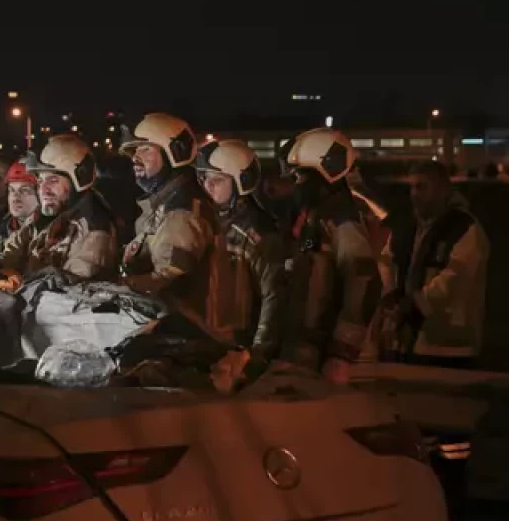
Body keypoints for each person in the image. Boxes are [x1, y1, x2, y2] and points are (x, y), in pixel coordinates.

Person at [275, 127, 383, 381]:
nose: (295, 185)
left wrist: (342, 353)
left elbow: (364, 282)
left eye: (299, 176)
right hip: (311, 350)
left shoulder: (344, 220)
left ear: (324, 174)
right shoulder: (318, 217)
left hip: (332, 359)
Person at [118, 113, 225, 333]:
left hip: (181, 335)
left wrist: (117, 286)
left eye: (145, 149)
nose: (135, 158)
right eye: (134, 151)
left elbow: (168, 280)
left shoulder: (182, 212)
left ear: (174, 153)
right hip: (167, 329)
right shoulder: (164, 205)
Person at [380, 160, 489, 368]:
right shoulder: (407, 228)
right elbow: (386, 261)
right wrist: (391, 297)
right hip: (407, 343)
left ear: (442, 190)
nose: (414, 194)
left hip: (450, 347)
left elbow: (453, 280)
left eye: (421, 187)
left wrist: (411, 306)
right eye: (411, 187)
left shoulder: (464, 229)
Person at [195, 139, 289, 361]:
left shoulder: (258, 232)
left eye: (217, 180)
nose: (208, 186)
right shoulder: (206, 221)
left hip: (240, 347)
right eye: (205, 178)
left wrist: (260, 352)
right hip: (209, 342)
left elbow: (273, 296)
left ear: (241, 183)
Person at [0, 136, 120, 290]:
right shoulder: (43, 217)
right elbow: (10, 255)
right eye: (40, 181)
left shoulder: (95, 229)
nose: (43, 190)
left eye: (53, 180)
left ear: (79, 178)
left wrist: (18, 283)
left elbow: (71, 288)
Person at [0, 159, 41, 254]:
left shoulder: (55, 233)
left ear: (40, 195)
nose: (15, 197)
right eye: (11, 190)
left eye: (24, 190)